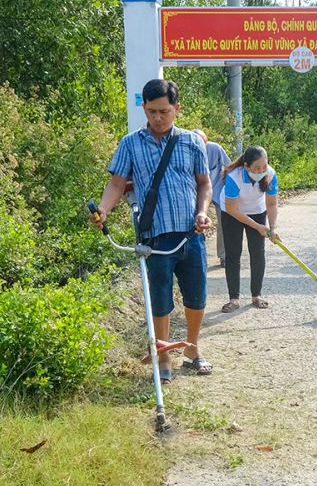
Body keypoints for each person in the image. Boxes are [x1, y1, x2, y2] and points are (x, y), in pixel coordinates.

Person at [93, 78, 214, 378]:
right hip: (155, 237)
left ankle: (192, 348)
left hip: (191, 234)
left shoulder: (191, 142)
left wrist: (202, 212)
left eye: (164, 111)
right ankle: (162, 358)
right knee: (160, 299)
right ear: (144, 108)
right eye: (151, 112)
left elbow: (204, 183)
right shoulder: (130, 143)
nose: (157, 118)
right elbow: (116, 184)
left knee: (196, 296)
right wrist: (103, 210)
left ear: (177, 108)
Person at [220, 145, 279, 313]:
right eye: (257, 168)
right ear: (246, 167)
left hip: (257, 211)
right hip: (232, 212)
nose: (261, 171)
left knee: (258, 252)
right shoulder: (234, 177)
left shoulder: (271, 174)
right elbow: (232, 210)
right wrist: (258, 227)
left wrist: (272, 227)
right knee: (233, 253)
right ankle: (234, 298)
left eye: (264, 167)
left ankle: (256, 295)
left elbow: (272, 203)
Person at [197, 129, 230, 268]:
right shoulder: (186, 150)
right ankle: (197, 256)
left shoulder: (215, 148)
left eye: (203, 143)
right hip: (197, 192)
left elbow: (229, 166)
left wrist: (229, 188)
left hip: (217, 189)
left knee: (223, 223)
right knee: (195, 224)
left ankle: (224, 256)